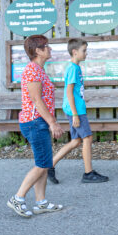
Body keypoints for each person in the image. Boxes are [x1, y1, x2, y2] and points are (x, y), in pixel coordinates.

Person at [6, 34, 65, 218]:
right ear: (38, 50)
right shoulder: (32, 70)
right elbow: (37, 101)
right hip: (34, 122)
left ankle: (41, 202)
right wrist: (52, 123)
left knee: (45, 163)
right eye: (46, 46)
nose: (50, 49)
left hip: (38, 122)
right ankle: (18, 198)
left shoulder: (39, 69)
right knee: (42, 164)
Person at [46, 37, 109, 184]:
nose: (86, 53)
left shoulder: (75, 67)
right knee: (87, 138)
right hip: (77, 111)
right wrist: (75, 113)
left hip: (76, 109)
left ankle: (50, 165)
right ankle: (88, 173)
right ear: (74, 52)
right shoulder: (73, 69)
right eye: (84, 50)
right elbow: (68, 92)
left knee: (76, 141)